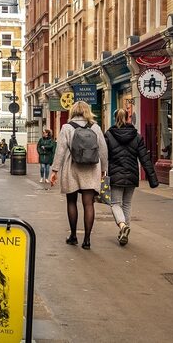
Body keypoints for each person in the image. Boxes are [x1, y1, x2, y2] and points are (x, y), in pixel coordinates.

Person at [49, 101, 108, 250]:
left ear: (73, 111)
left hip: (72, 168)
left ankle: (74, 236)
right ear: (88, 111)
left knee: (71, 202)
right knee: (89, 204)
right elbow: (103, 150)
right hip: (92, 168)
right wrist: (104, 169)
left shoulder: (67, 127)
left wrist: (55, 170)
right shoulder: (95, 127)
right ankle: (87, 240)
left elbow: (60, 150)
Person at [104, 109, 158, 246]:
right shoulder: (137, 136)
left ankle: (122, 227)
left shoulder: (109, 135)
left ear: (114, 118)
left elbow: (103, 157)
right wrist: (153, 179)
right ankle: (125, 230)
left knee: (115, 203)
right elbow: (144, 158)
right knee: (127, 203)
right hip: (132, 174)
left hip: (115, 175)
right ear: (128, 118)